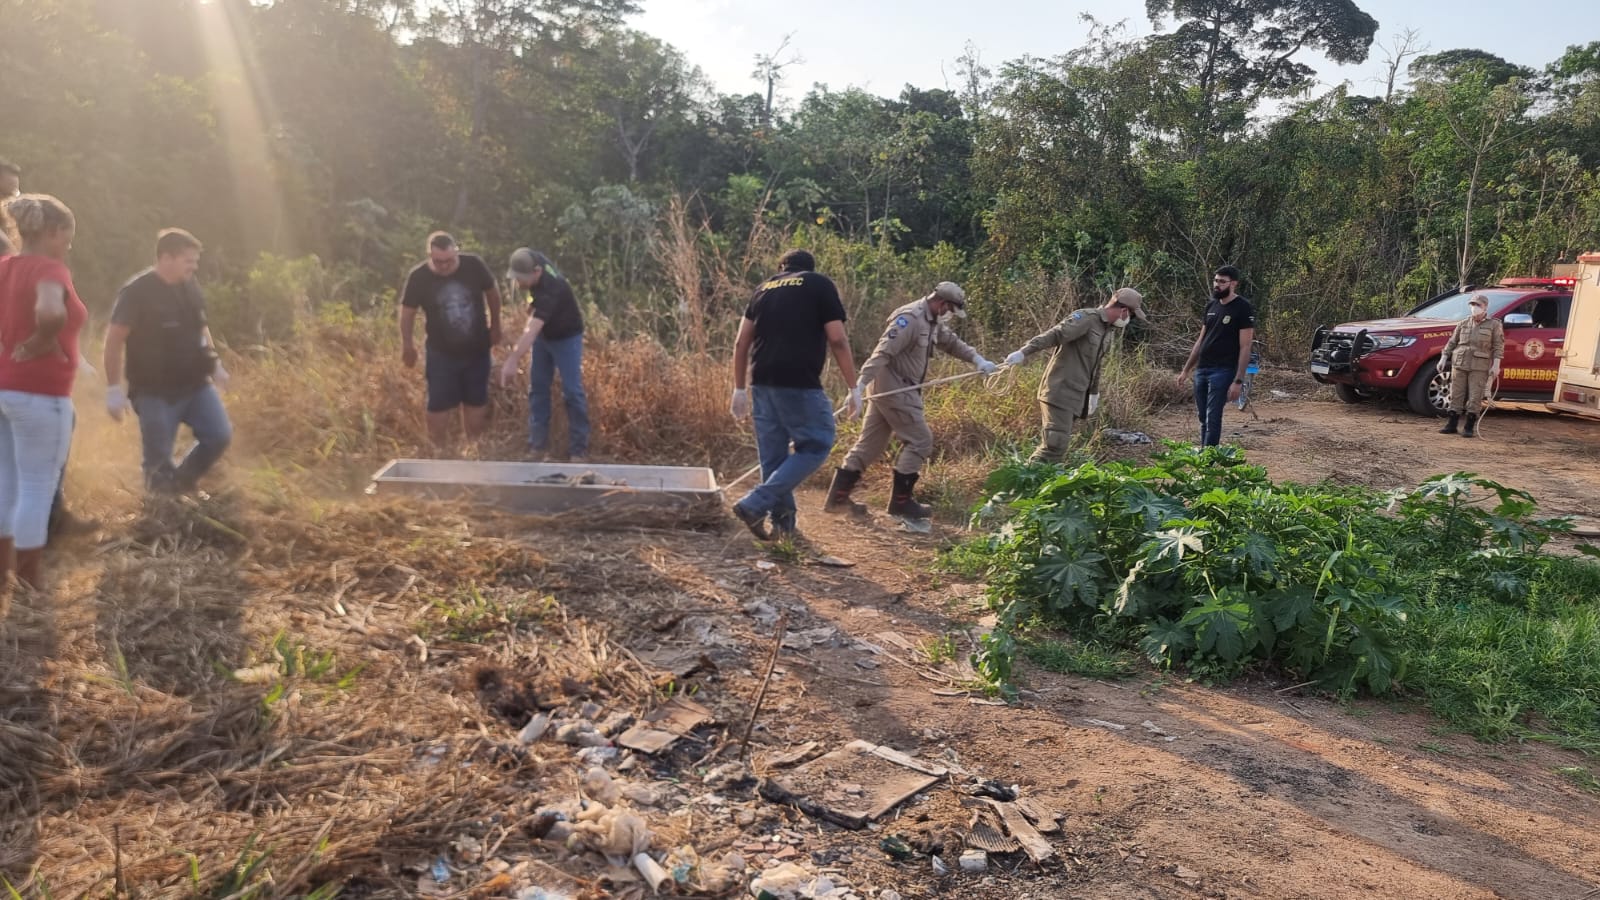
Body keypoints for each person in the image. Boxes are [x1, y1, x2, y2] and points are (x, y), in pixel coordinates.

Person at [826, 282, 996, 519]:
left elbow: (951, 342)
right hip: (895, 391)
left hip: (896, 391)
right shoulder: (910, 319)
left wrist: (978, 359)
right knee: (921, 441)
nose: (950, 316)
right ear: (942, 303)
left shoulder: (932, 320)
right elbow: (882, 352)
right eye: (950, 310)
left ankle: (838, 499)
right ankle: (901, 503)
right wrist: (859, 386)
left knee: (870, 445)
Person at [729, 249, 860, 540]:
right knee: (817, 443)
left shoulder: (763, 288)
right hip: (799, 380)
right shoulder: (818, 284)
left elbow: (741, 342)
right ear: (809, 268)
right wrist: (854, 387)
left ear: (782, 268)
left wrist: (739, 389)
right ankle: (755, 503)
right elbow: (837, 339)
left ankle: (784, 528)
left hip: (762, 381)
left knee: (774, 458)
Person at [0, 195, 88, 590]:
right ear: (52, 233)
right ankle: (30, 584)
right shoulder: (50, 270)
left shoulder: (4, 267)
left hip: (3, 388)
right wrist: (37, 343)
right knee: (37, 486)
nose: (69, 246)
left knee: (5, 482)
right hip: (40, 391)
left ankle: (4, 576)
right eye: (67, 238)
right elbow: (52, 313)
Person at [102, 228, 233, 493]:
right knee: (158, 459)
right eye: (188, 261)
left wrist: (215, 363)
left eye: (195, 261)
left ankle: (183, 482)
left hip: (195, 383)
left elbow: (201, 328)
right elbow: (114, 340)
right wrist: (114, 389)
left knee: (219, 435)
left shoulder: (189, 286)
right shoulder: (137, 292)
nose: (193, 267)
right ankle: (161, 510)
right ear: (166, 258)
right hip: (154, 391)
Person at [1005, 288, 1146, 463]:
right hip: (1060, 390)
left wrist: (1093, 393)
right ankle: (1025, 482)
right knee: (1054, 446)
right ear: (1125, 311)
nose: (1129, 320)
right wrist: (1024, 352)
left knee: (1058, 447)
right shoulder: (1087, 318)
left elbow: (1096, 365)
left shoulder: (1107, 332)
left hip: (1076, 395)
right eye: (1132, 316)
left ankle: (1043, 484)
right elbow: (1057, 334)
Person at [399, 232, 502, 447]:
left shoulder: (473, 265)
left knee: (476, 399)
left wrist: (496, 326)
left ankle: (473, 449)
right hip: (440, 352)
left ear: (456, 252)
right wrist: (407, 344)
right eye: (438, 262)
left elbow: (493, 294)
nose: (444, 266)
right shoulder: (419, 277)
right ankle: (438, 450)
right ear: (429, 256)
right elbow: (407, 312)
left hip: (477, 349)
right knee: (438, 403)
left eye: (449, 261)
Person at [498, 248, 589, 461]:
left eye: (521, 279)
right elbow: (534, 316)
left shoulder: (552, 288)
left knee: (572, 391)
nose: (518, 283)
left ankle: (578, 450)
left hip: (566, 337)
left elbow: (532, 330)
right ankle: (537, 446)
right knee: (537, 388)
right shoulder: (534, 258)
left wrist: (512, 359)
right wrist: (531, 306)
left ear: (537, 272)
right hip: (544, 337)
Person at [1176, 265, 1255, 447]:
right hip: (1202, 368)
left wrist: (1238, 380)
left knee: (1213, 416)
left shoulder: (1243, 308)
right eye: (1216, 280)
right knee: (1203, 416)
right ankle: (1205, 454)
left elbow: (1245, 346)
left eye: (1222, 281)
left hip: (1223, 370)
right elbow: (1200, 340)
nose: (1217, 285)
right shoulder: (1211, 306)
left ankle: (1208, 463)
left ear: (1233, 283)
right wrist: (1186, 369)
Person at [1437, 293, 1504, 438]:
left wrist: (1496, 365)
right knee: (1456, 394)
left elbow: (1498, 346)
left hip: (1479, 365)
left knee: (1475, 396)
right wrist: (1443, 357)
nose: (1474, 308)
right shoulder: (1463, 323)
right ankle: (1452, 424)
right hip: (1460, 363)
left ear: (1485, 307)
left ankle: (1469, 426)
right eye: (1472, 305)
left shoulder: (1494, 325)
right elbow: (1452, 342)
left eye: (1478, 305)